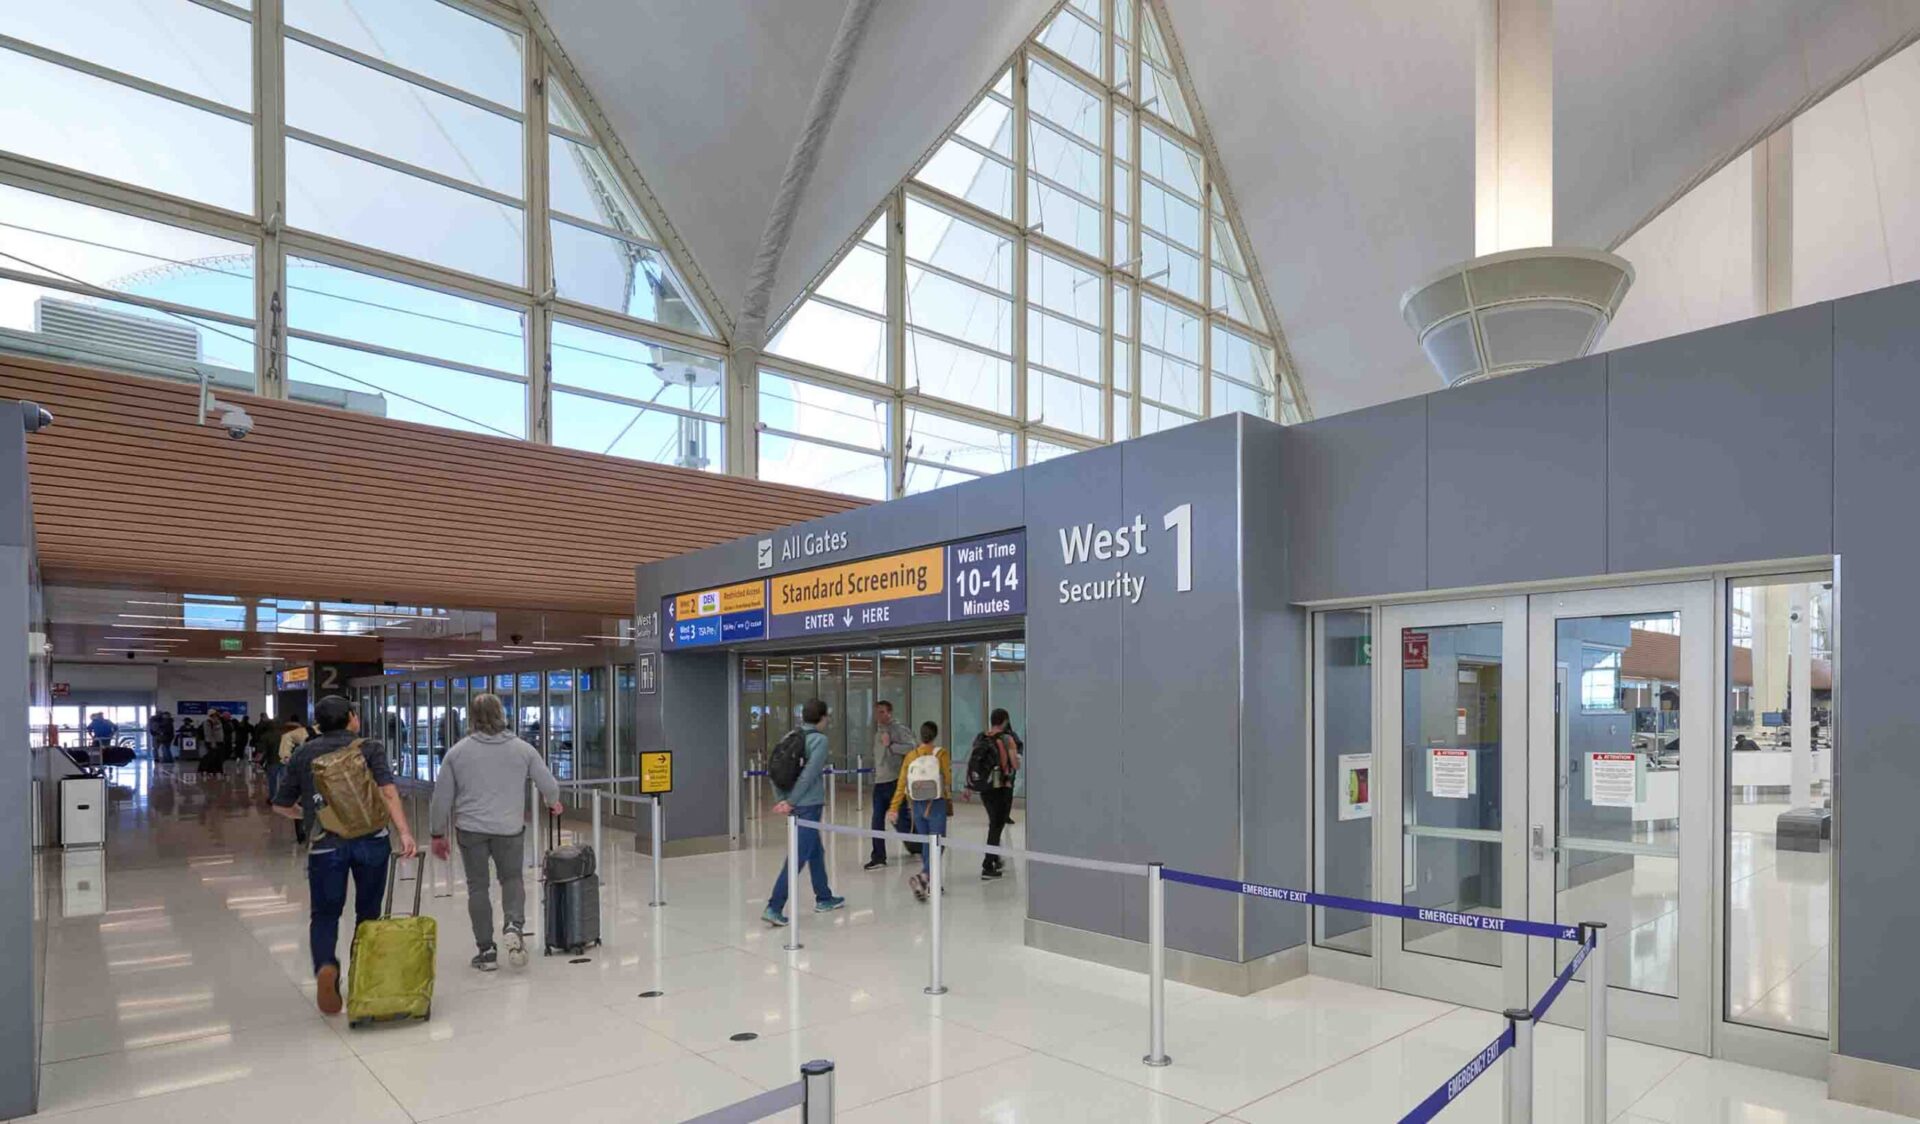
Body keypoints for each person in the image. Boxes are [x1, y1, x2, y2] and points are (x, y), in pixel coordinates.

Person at [272, 694, 416, 1016]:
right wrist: (404, 832)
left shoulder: (303, 753)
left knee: (325, 915)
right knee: (368, 913)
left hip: (326, 845)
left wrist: (310, 815)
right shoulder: (371, 747)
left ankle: (326, 966)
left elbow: (280, 805)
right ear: (352, 717)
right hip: (372, 841)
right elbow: (388, 791)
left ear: (318, 724)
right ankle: (363, 978)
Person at [428, 693, 562, 972]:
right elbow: (548, 784)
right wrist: (553, 803)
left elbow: (441, 798)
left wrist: (437, 833)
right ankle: (513, 924)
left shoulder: (457, 752)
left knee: (478, 887)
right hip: (509, 829)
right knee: (512, 879)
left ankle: (486, 951)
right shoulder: (522, 749)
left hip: (471, 829)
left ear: (471, 717)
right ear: (502, 714)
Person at [763, 698, 845, 927]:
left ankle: (824, 897)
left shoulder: (790, 736)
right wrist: (790, 801)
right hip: (809, 805)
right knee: (798, 856)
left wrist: (783, 799)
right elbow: (809, 774)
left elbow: (774, 768)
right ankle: (774, 906)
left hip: (795, 803)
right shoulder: (819, 740)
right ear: (822, 718)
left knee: (815, 851)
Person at [888, 721, 952, 901]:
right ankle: (925, 877)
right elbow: (947, 779)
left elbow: (901, 784)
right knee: (938, 843)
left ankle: (930, 881)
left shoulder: (911, 756)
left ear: (920, 736)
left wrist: (894, 808)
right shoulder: (941, 754)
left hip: (916, 805)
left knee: (926, 843)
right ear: (935, 735)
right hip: (936, 804)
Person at [864, 701, 917, 870]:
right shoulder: (877, 732)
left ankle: (920, 844)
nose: (878, 716)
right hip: (880, 782)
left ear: (889, 713)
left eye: (881, 712)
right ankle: (878, 856)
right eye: (876, 712)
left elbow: (912, 747)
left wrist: (892, 746)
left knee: (902, 821)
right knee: (877, 820)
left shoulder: (899, 729)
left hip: (894, 782)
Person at [978, 708, 1022, 880]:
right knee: (996, 827)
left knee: (994, 824)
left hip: (985, 788)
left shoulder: (982, 737)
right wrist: (1017, 759)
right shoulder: (1007, 738)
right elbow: (1014, 765)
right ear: (1005, 721)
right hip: (1001, 787)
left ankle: (994, 857)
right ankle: (988, 865)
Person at [279, 718, 312, 843]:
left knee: (300, 804)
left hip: (299, 778)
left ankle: (301, 834)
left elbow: (284, 758)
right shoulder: (312, 736)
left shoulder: (287, 740)